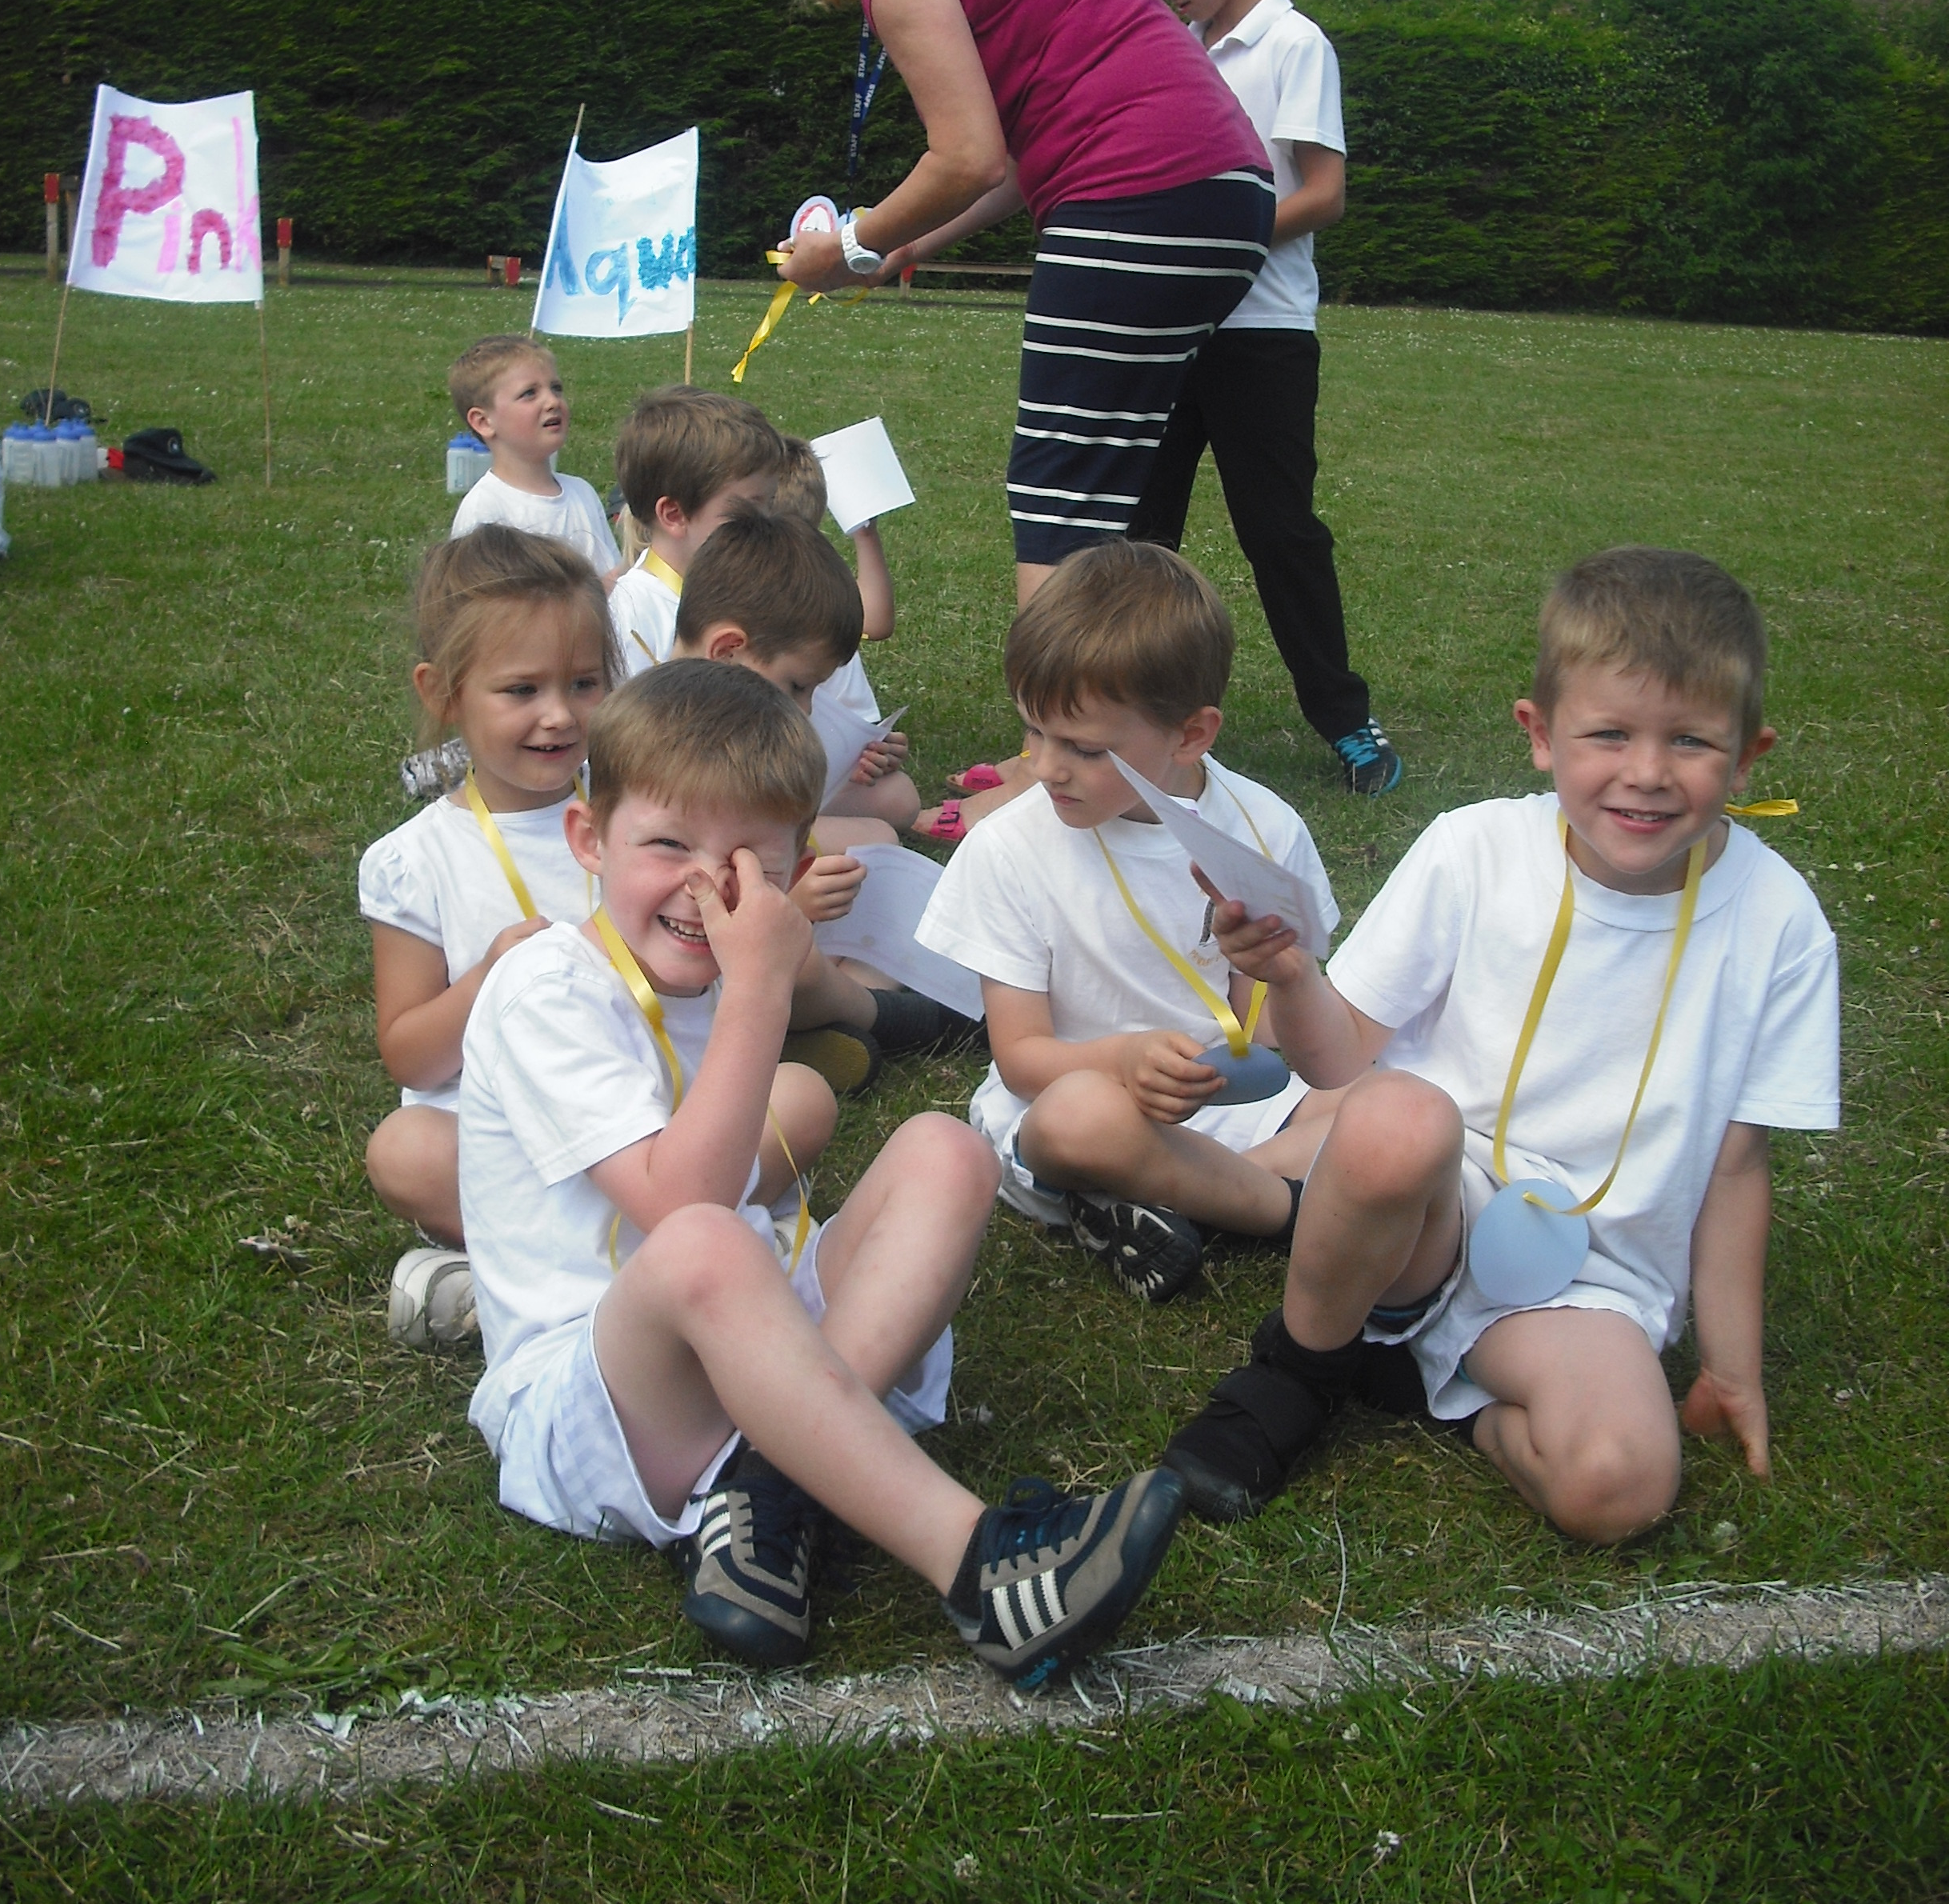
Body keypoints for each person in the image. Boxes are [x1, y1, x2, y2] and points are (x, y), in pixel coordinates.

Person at [455, 657, 1187, 1681]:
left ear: (795, 868)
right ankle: (979, 1567)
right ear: (589, 838)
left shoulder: (725, 968)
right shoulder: (547, 988)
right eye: (666, 844)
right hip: (599, 1398)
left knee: (947, 1148)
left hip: (760, 1341)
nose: (706, 887)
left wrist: (758, 985)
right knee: (707, 1239)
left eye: (747, 860)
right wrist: (763, 990)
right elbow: (680, 1203)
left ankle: (769, 1496)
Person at [1160, 548, 1839, 1543]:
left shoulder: (1781, 923)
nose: (1647, 773)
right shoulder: (1474, 850)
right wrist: (1292, 978)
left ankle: (1427, 1384)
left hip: (1589, 1283)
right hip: (1431, 1220)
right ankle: (1299, 1371)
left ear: (1746, 757)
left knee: (1620, 1487)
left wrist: (1734, 1371)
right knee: (1397, 1118)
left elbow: (1738, 1168)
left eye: (1691, 740)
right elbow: (1341, 1062)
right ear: (1540, 734)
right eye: (1609, 733)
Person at [722, 0, 1275, 605]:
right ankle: (1135, 683)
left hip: (1135, 196)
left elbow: (967, 158)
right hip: (1223, 197)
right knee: (1106, 493)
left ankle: (1060, 693)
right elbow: (1019, 158)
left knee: (1056, 495)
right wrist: (908, 245)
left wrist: (845, 251)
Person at [918, 542, 1339, 1304]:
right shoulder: (1009, 847)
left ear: (1190, 735)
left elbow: (1268, 1037)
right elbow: (1021, 1059)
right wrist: (1123, 1060)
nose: (1046, 768)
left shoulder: (1262, 828)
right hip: (1073, 1100)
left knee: (1386, 1105)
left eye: (1085, 749)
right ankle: (1274, 1208)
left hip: (1221, 1103)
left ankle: (1170, 1199)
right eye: (1034, 732)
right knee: (1082, 1121)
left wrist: (1274, 980)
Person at [1118, 0, 1399, 799]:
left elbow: (1324, 193)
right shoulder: (1175, 48)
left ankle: (1346, 721)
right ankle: (1126, 713)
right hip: (1169, 331)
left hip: (1262, 336)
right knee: (1140, 534)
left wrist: (1220, 239)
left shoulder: (1293, 45)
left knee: (1279, 532)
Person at [358, 527, 627, 1346]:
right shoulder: (418, 861)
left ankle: (524, 1284)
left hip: (634, 1107)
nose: (559, 715)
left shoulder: (640, 815)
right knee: (404, 1151)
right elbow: (411, 1057)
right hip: (504, 1137)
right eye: (521, 690)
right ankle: (628, 1272)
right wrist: (489, 981)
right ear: (443, 693)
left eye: (585, 683)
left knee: (798, 1100)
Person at [673, 506, 971, 1078]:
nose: (805, 709)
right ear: (727, 651)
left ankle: (838, 1011)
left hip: (748, 942)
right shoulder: (671, 756)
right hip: (705, 967)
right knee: (807, 967)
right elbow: (684, 912)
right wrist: (791, 910)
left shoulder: (724, 725)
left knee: (872, 883)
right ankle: (866, 1015)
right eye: (797, 686)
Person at [771, 434, 918, 836]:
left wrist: (872, 753)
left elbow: (874, 623)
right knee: (881, 832)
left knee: (900, 798)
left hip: (807, 774)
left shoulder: (818, 603)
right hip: (743, 775)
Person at [607, 387, 784, 676]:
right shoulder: (635, 614)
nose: (768, 522)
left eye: (771, 502)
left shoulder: (751, 589)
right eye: (751, 508)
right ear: (674, 515)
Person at [447, 337, 619, 583]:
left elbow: (612, 583)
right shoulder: (485, 510)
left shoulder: (582, 493)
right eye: (529, 393)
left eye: (556, 388)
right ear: (484, 422)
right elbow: (483, 602)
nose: (552, 401)